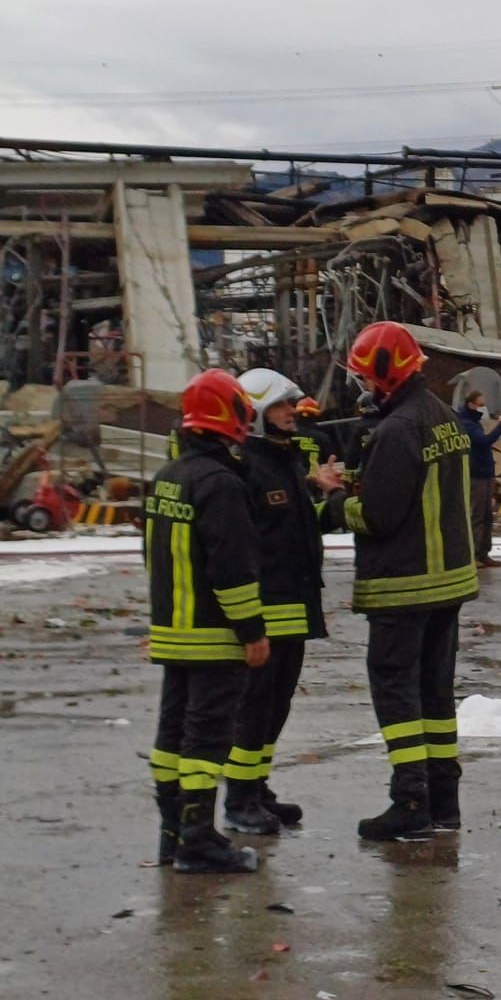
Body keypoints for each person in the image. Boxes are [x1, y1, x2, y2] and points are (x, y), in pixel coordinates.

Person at [338, 321, 479, 841]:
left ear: (381, 375)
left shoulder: (398, 429)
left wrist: (335, 501)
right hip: (447, 583)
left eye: (363, 377)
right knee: (435, 696)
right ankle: (444, 801)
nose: (361, 387)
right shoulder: (442, 416)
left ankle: (410, 800)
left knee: (397, 693)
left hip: (404, 584)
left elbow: (378, 516)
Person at [145, 369, 270, 875]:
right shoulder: (221, 484)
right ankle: (198, 840)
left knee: (172, 735)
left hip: (173, 631)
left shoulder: (167, 477)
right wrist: (252, 631)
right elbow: (232, 569)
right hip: (213, 635)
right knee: (205, 739)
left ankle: (173, 834)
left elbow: (151, 556)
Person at [220, 369, 347, 835]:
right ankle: (238, 797)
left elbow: (298, 528)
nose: (292, 412)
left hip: (295, 606)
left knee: (278, 705)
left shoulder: (287, 460)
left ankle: (258, 787)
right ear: (253, 413)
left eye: (290, 403)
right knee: (254, 706)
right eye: (280, 405)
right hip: (266, 611)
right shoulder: (245, 467)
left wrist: (325, 496)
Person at [456, 388, 501, 568]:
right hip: (476, 475)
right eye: (481, 405)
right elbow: (483, 441)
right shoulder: (467, 424)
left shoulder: (474, 422)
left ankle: (484, 553)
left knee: (487, 515)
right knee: (477, 516)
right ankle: (474, 554)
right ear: (471, 404)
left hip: (485, 474)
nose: (483, 409)